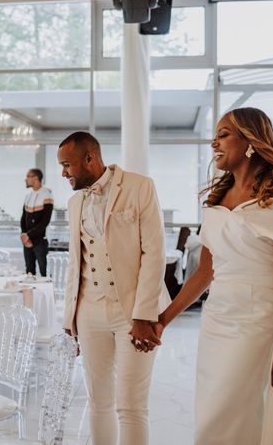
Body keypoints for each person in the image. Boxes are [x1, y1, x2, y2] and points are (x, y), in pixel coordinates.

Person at [152, 108, 273, 445]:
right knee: (212, 413)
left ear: (249, 140)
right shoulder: (217, 195)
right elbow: (205, 272)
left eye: (222, 134)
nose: (213, 142)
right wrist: (163, 320)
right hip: (217, 320)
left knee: (236, 413)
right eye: (215, 135)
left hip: (258, 321)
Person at [57, 131, 170, 445]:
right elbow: (75, 262)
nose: (63, 173)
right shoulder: (74, 201)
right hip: (89, 311)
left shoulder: (139, 186)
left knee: (131, 405)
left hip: (133, 311)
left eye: (67, 165)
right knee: (99, 402)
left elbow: (154, 253)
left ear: (90, 158)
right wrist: (71, 318)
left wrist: (144, 316)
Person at [20, 168, 53, 276]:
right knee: (29, 273)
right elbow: (23, 218)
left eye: (28, 177)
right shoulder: (27, 196)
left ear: (36, 178)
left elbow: (45, 222)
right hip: (27, 241)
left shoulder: (47, 194)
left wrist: (28, 235)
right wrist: (24, 235)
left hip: (40, 241)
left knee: (44, 273)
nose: (26, 180)